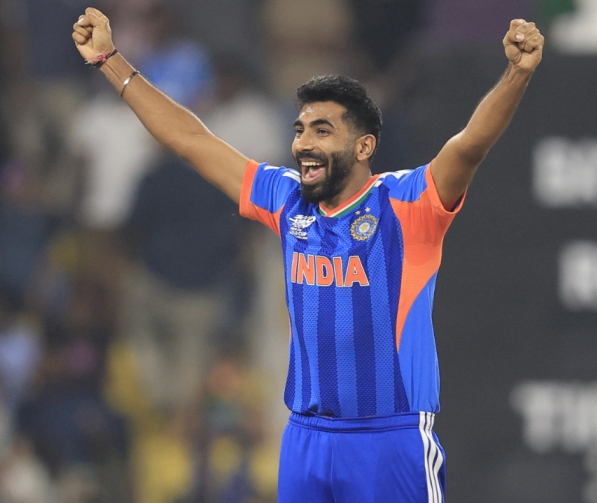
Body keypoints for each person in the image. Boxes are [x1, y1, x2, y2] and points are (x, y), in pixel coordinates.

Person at [72, 8, 544, 501]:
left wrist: (517, 73)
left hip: (389, 438)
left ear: (363, 146)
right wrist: (109, 60)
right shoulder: (286, 199)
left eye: (322, 130)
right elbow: (192, 140)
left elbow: (469, 146)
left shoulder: (408, 204)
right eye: (299, 130)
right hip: (306, 439)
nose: (303, 144)